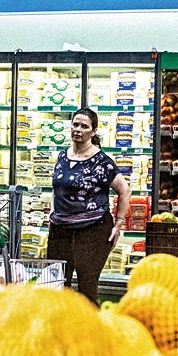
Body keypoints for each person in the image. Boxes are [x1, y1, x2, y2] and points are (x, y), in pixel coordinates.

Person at [48, 108, 130, 302]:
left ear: (93, 132)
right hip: (60, 231)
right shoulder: (62, 156)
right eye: (75, 124)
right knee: (56, 286)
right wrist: (52, 213)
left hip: (93, 232)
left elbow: (125, 191)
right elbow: (57, 188)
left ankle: (91, 330)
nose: (78, 129)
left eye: (84, 126)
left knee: (87, 288)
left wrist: (118, 225)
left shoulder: (102, 162)